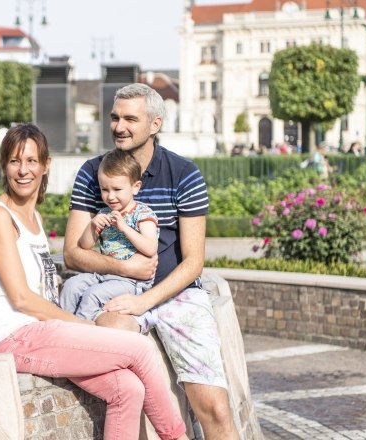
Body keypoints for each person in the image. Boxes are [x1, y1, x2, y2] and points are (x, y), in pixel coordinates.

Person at [0, 123, 188, 440]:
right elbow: (21, 299)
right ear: (3, 165)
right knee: (139, 350)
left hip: (39, 331)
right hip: (12, 337)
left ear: (46, 165)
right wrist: (80, 325)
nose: (23, 170)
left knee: (127, 389)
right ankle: (177, 437)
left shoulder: (32, 219)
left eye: (32, 161)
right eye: (15, 161)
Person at [64, 84, 240, 440]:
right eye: (115, 117)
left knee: (216, 409)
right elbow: (73, 253)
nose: (119, 126)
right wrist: (127, 270)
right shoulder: (92, 172)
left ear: (155, 124)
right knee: (121, 371)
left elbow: (193, 263)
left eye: (131, 118)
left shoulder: (184, 174)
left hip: (177, 296)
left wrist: (145, 300)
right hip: (117, 292)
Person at [59, 148, 159, 333]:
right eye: (105, 190)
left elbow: (150, 247)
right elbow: (85, 245)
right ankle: (61, 327)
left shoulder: (142, 213)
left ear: (135, 187)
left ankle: (80, 334)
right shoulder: (104, 213)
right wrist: (92, 226)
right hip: (104, 274)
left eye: (117, 189)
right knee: (71, 286)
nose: (110, 196)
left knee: (92, 295)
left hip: (131, 281)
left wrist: (125, 228)